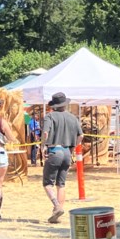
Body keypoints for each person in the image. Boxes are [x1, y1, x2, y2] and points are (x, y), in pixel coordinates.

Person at [40, 92, 83, 223]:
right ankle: (58, 212)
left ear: (54, 105)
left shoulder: (50, 116)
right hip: (67, 152)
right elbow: (81, 136)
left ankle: (56, 205)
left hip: (55, 150)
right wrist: (72, 147)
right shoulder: (73, 118)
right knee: (61, 184)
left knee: (47, 183)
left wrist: (42, 145)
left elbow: (46, 133)